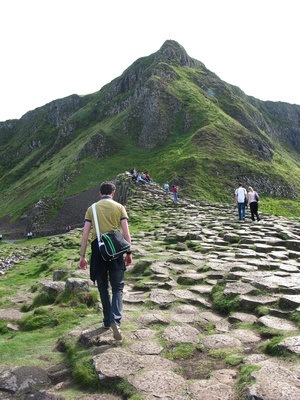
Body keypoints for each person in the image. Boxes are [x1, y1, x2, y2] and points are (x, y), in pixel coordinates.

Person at [78, 181, 132, 341]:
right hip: (115, 249)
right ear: (113, 192)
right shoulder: (119, 207)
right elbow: (126, 233)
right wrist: (129, 252)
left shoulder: (91, 209)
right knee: (118, 287)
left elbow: (85, 235)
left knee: (103, 288)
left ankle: (107, 321)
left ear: (100, 193)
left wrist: (82, 257)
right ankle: (116, 319)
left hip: (98, 250)